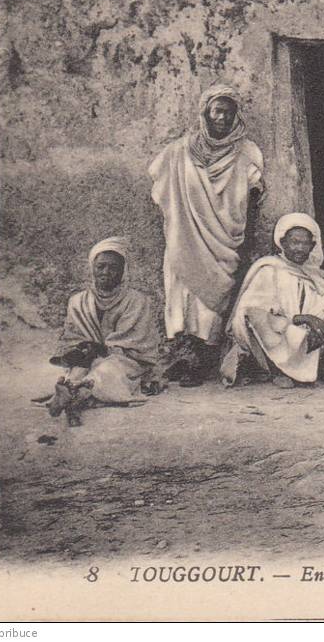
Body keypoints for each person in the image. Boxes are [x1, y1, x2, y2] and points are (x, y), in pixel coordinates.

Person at [148, 82, 264, 387]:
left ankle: (201, 361)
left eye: (229, 111)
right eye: (217, 111)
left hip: (225, 239)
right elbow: (159, 184)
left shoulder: (246, 153)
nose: (223, 118)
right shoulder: (180, 151)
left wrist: (247, 241)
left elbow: (253, 197)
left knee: (211, 302)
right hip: (184, 238)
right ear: (206, 113)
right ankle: (182, 356)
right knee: (182, 296)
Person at [220, 213, 324, 389]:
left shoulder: (316, 275)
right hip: (282, 332)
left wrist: (314, 322)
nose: (299, 248)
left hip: (310, 336)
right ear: (282, 243)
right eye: (294, 242)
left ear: (312, 246)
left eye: (305, 243)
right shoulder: (269, 269)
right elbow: (253, 312)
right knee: (256, 315)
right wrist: (302, 319)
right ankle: (277, 370)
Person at [43, 237, 161, 427]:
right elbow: (72, 337)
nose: (106, 272)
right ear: (92, 268)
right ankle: (74, 394)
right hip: (88, 358)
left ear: (123, 271)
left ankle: (75, 397)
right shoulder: (78, 301)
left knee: (107, 371)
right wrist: (80, 349)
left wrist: (100, 350)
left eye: (113, 268)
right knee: (80, 369)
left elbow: (134, 342)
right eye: (101, 267)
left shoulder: (137, 300)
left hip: (125, 359)